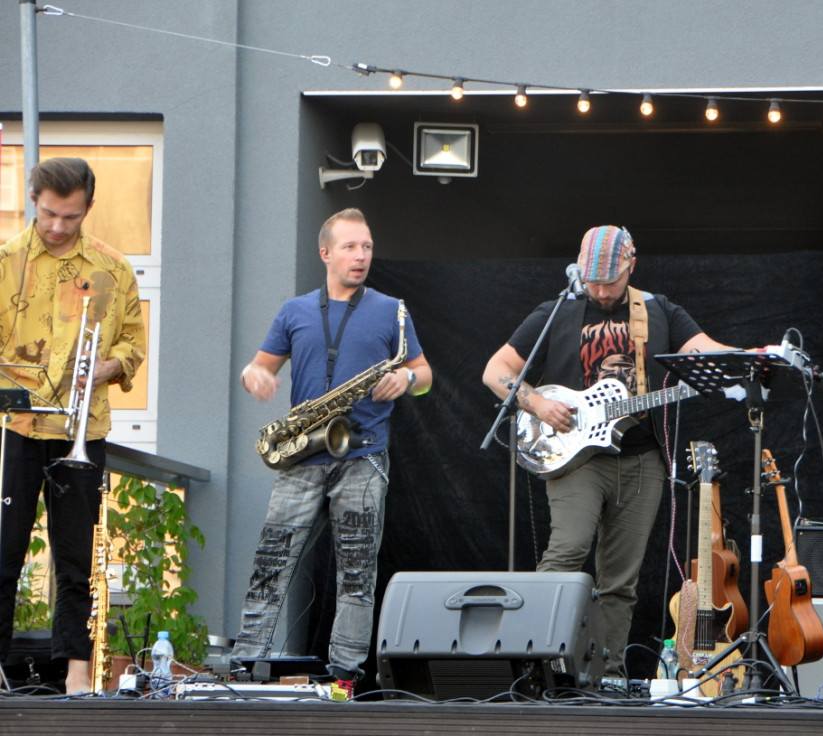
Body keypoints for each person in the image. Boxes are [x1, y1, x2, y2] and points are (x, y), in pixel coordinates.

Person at [482, 225, 739, 677]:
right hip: (575, 457)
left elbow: (705, 351)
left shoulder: (659, 312)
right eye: (592, 280)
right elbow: (496, 370)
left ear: (631, 266)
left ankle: (610, 676)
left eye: (610, 281)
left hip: (641, 459)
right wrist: (537, 402)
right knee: (568, 550)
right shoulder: (556, 310)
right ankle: (535, 661)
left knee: (621, 579)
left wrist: (753, 356)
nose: (600, 290)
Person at [233, 207, 431, 698]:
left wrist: (405, 379)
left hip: (362, 456)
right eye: (350, 247)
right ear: (326, 253)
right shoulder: (294, 310)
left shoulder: (392, 310)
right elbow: (255, 369)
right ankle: (245, 665)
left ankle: (345, 676)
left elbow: (425, 375)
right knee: (270, 562)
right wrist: (255, 376)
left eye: (366, 246)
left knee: (358, 572)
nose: (361, 255)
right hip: (303, 454)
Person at [0, 157, 146, 694]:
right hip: (16, 428)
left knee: (77, 559)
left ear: (89, 207)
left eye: (71, 216)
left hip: (85, 427)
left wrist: (107, 365)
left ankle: (78, 676)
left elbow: (132, 345)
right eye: (49, 214)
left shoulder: (114, 267)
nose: (59, 227)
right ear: (32, 198)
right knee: (3, 552)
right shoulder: (5, 261)